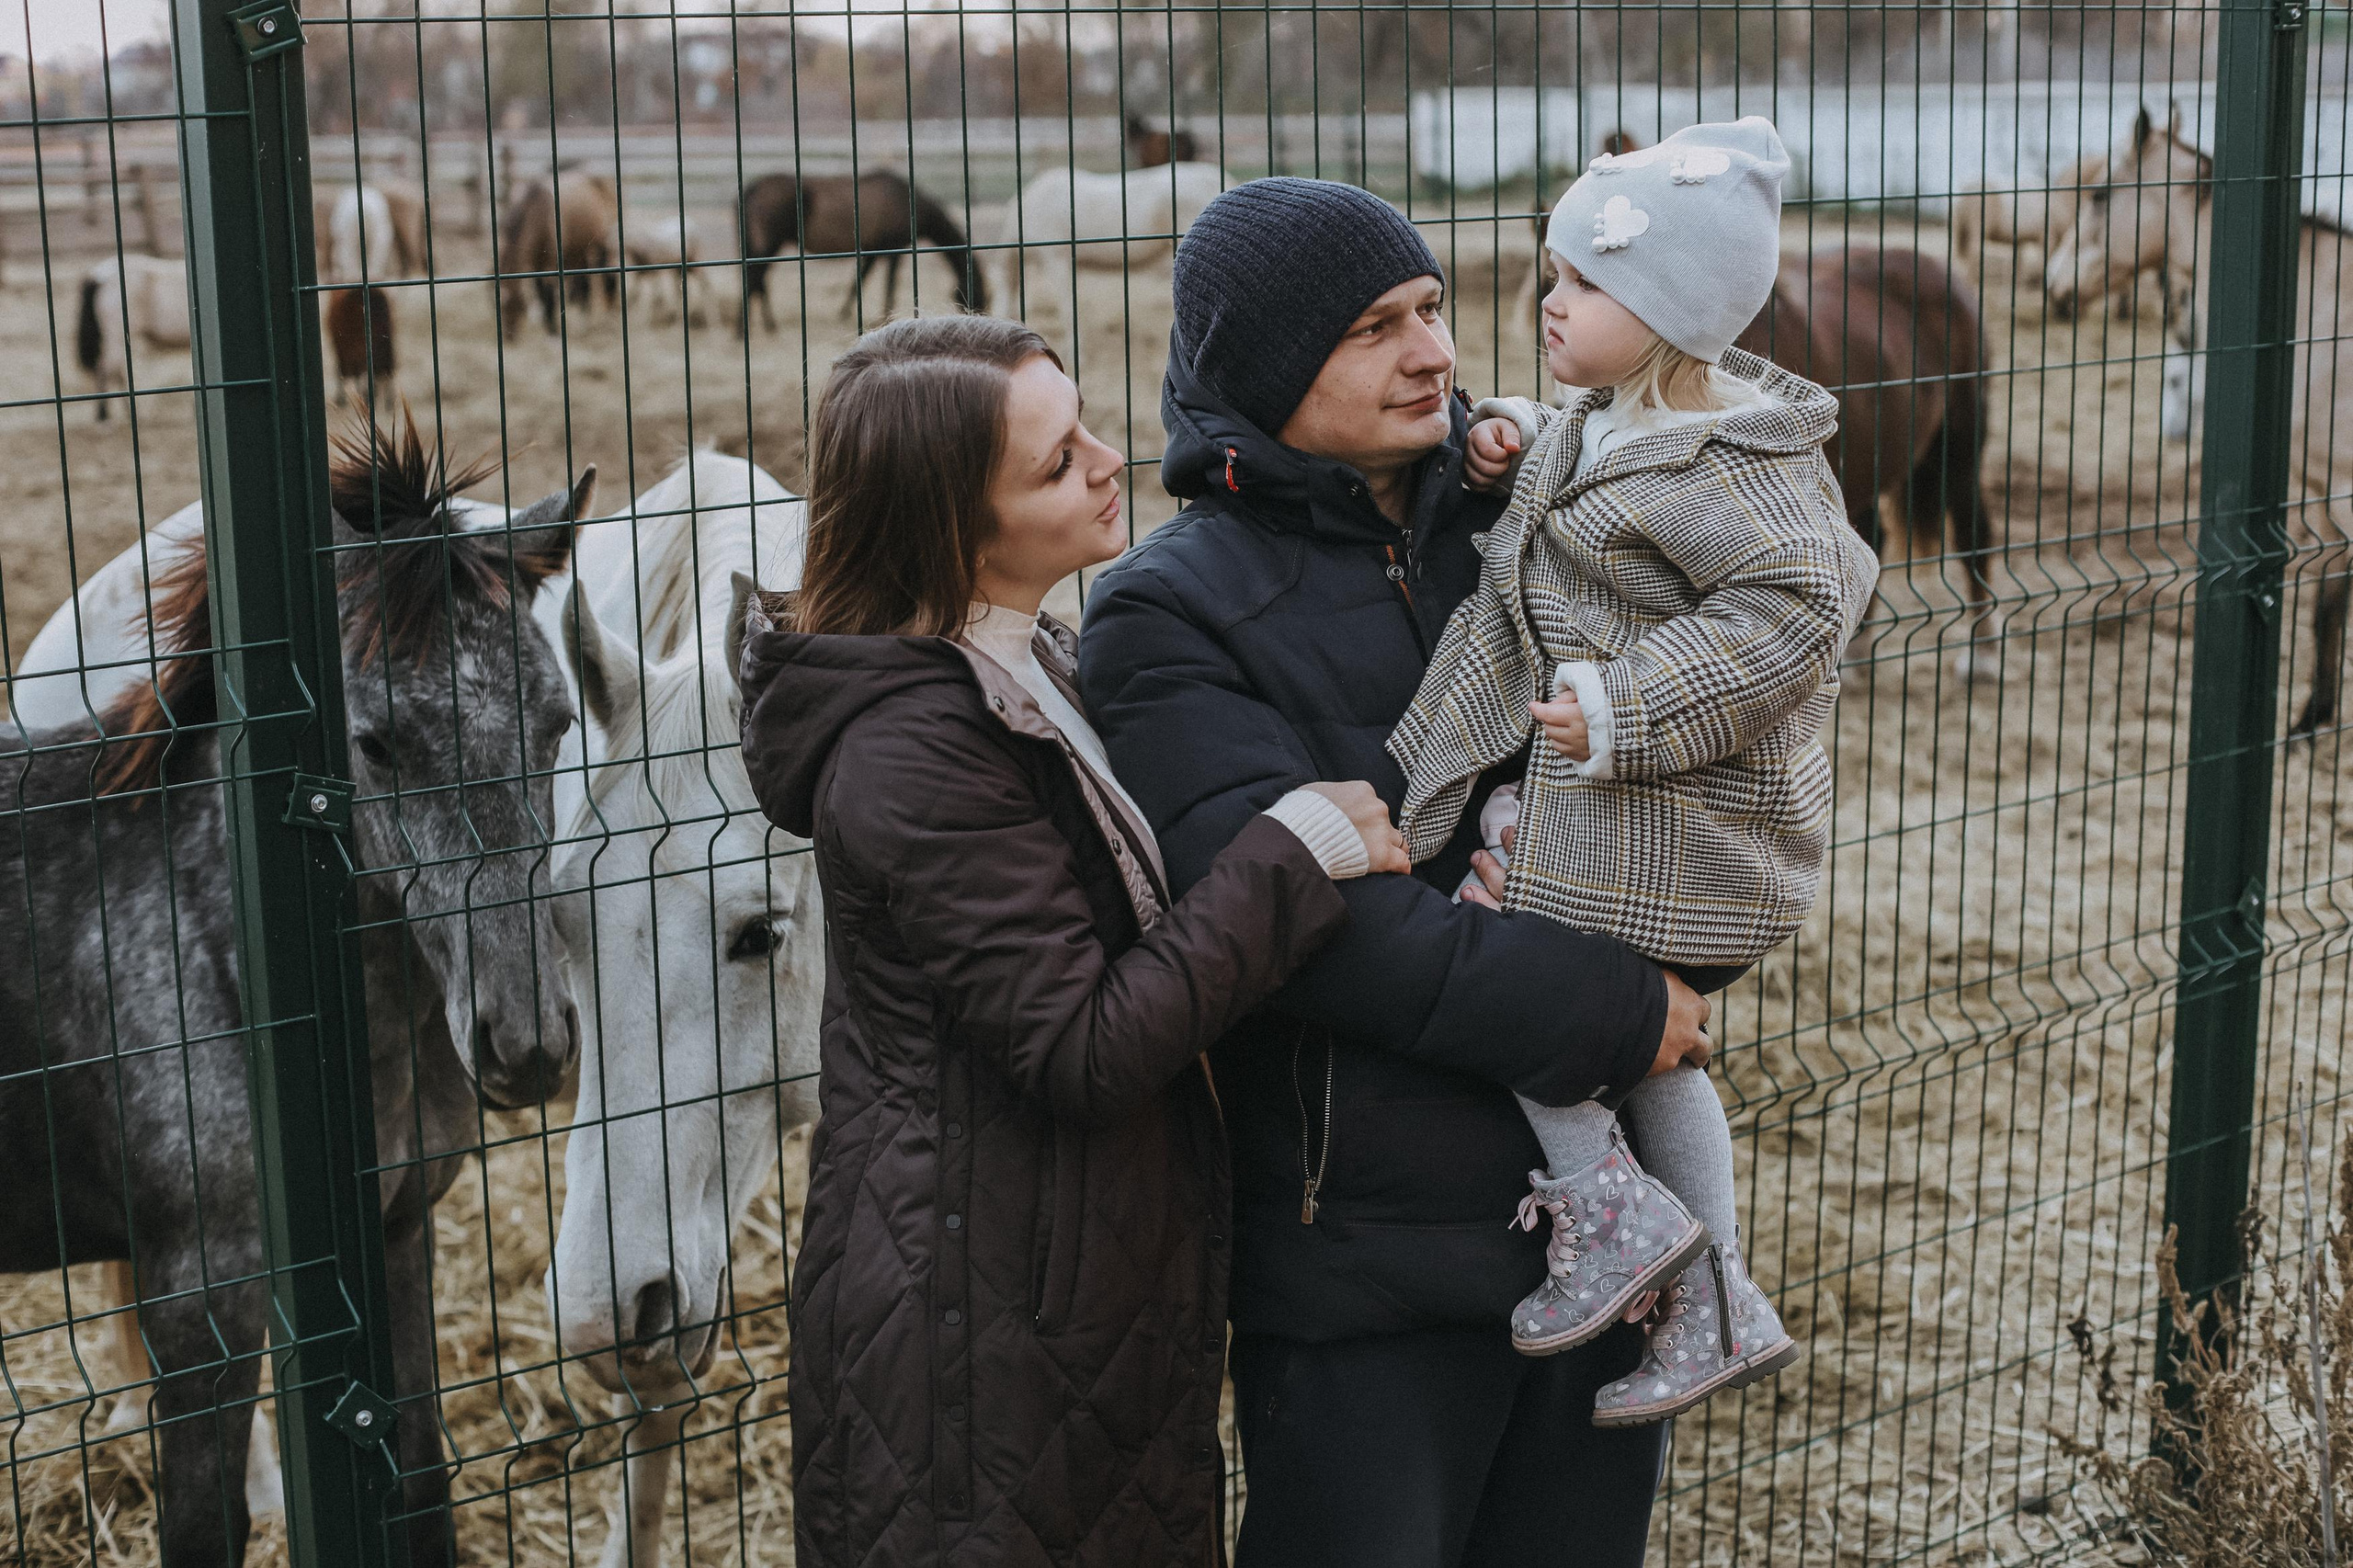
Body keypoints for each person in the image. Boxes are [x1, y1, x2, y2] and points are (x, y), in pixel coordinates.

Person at [1081, 178, 1712, 1565]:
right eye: (1375, 327)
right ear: (1264, 364)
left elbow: (1691, 769)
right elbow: (1320, 931)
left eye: (1431, 308)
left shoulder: (1536, 525)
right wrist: (1620, 1009)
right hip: (1368, 1268)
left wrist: (1696, 946)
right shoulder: (1168, 611)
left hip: (1606, 1236)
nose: (1434, 350)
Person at [737, 314, 1409, 1566]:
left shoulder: (1023, 659)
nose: (1109, 461)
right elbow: (1081, 1044)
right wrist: (1292, 851)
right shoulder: (911, 754)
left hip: (1054, 1283)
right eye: (1056, 464)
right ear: (954, 531)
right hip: (977, 1330)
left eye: (1086, 425)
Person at [1388, 118, 1880, 1423]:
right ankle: (1716, 1293)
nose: (1548, 303)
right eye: (1553, 276)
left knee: (1513, 960)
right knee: (1654, 1051)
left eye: (1581, 284)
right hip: (1619, 796)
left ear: (1667, 315)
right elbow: (1582, 462)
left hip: (1677, 807)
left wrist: (1629, 702)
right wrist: (1511, 434)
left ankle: (1610, 1211)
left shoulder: (1744, 472)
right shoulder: (1620, 417)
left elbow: (1792, 612)